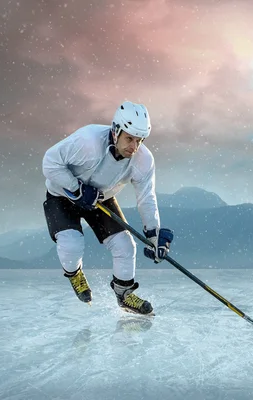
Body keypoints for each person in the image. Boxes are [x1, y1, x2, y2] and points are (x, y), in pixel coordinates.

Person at [41, 101, 174, 315]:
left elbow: (146, 197)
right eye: (129, 138)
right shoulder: (88, 141)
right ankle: (74, 273)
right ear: (115, 131)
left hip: (99, 199)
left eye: (139, 140)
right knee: (71, 244)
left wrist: (153, 234)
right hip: (62, 195)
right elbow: (50, 162)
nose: (134, 146)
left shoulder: (143, 160)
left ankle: (125, 295)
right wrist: (76, 188)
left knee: (125, 245)